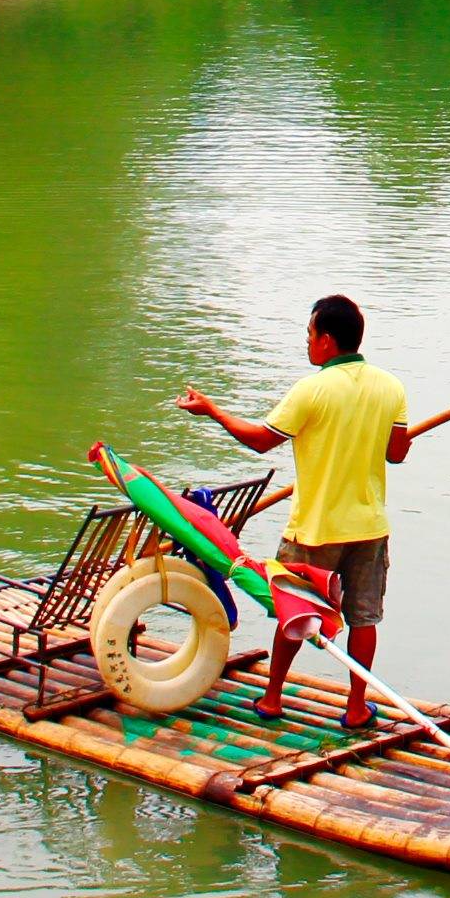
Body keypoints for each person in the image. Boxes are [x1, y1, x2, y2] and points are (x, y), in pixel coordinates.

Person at [177, 293, 409, 731]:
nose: (307, 342)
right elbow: (396, 454)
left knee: (293, 611)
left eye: (309, 334)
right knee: (364, 619)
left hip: (315, 529)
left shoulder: (313, 389)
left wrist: (212, 411)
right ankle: (356, 708)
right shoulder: (391, 387)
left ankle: (272, 698)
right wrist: (397, 437)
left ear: (326, 340)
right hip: (369, 528)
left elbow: (262, 440)